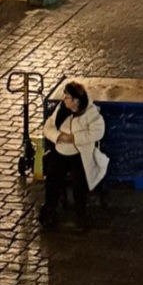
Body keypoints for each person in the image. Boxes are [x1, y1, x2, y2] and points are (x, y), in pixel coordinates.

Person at [39, 81, 108, 230]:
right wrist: (58, 136)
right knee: (52, 178)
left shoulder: (90, 112)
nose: (64, 99)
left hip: (79, 153)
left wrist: (75, 138)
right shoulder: (61, 109)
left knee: (79, 183)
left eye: (68, 97)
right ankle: (49, 212)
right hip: (60, 151)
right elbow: (48, 126)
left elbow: (98, 132)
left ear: (76, 100)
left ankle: (80, 217)